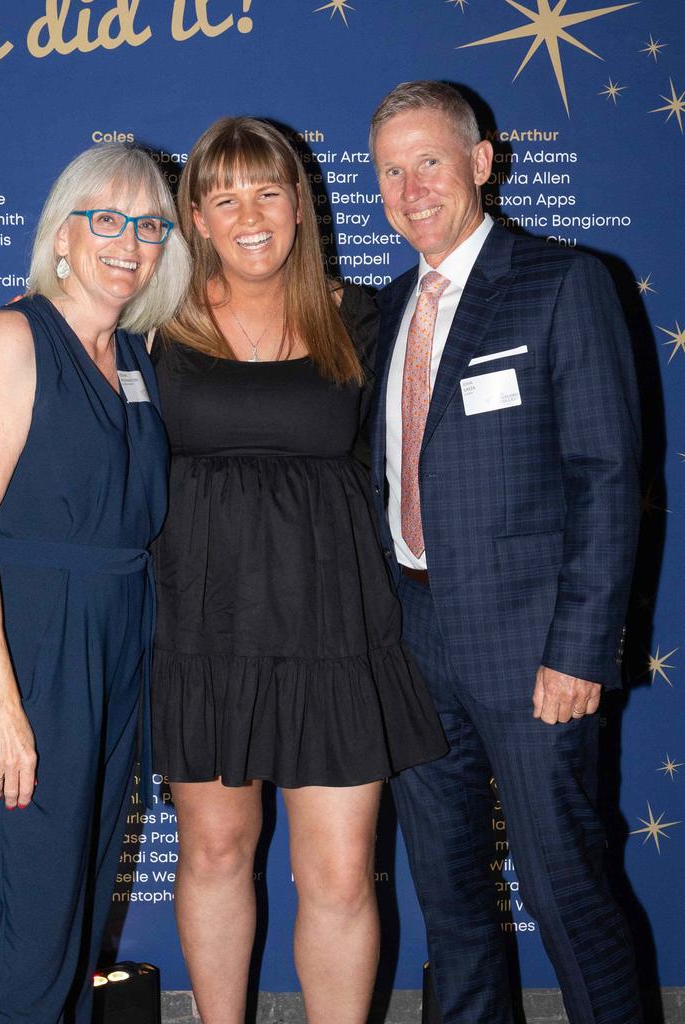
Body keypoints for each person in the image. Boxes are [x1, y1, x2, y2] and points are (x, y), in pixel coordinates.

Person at [150, 116, 447, 1024]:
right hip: (204, 627)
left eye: (269, 191)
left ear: (299, 205)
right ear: (196, 215)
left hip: (335, 628)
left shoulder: (361, 313)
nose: (251, 213)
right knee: (211, 854)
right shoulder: (154, 323)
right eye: (226, 195)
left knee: (340, 872)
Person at [367, 80, 643, 1024]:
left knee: (567, 892)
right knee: (449, 903)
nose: (411, 189)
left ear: (483, 161)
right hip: (411, 642)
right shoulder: (390, 306)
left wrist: (579, 648)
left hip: (532, 649)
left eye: (430, 162)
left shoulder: (563, 282)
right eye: (391, 171)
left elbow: (607, 476)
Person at [0, 143, 191, 1023]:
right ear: (63, 234)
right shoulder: (12, 337)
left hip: (122, 639)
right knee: (35, 914)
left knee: (79, 911)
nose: (130, 241)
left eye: (150, 225)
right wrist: (2, 706)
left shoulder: (131, 353)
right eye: (107, 219)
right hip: (40, 647)